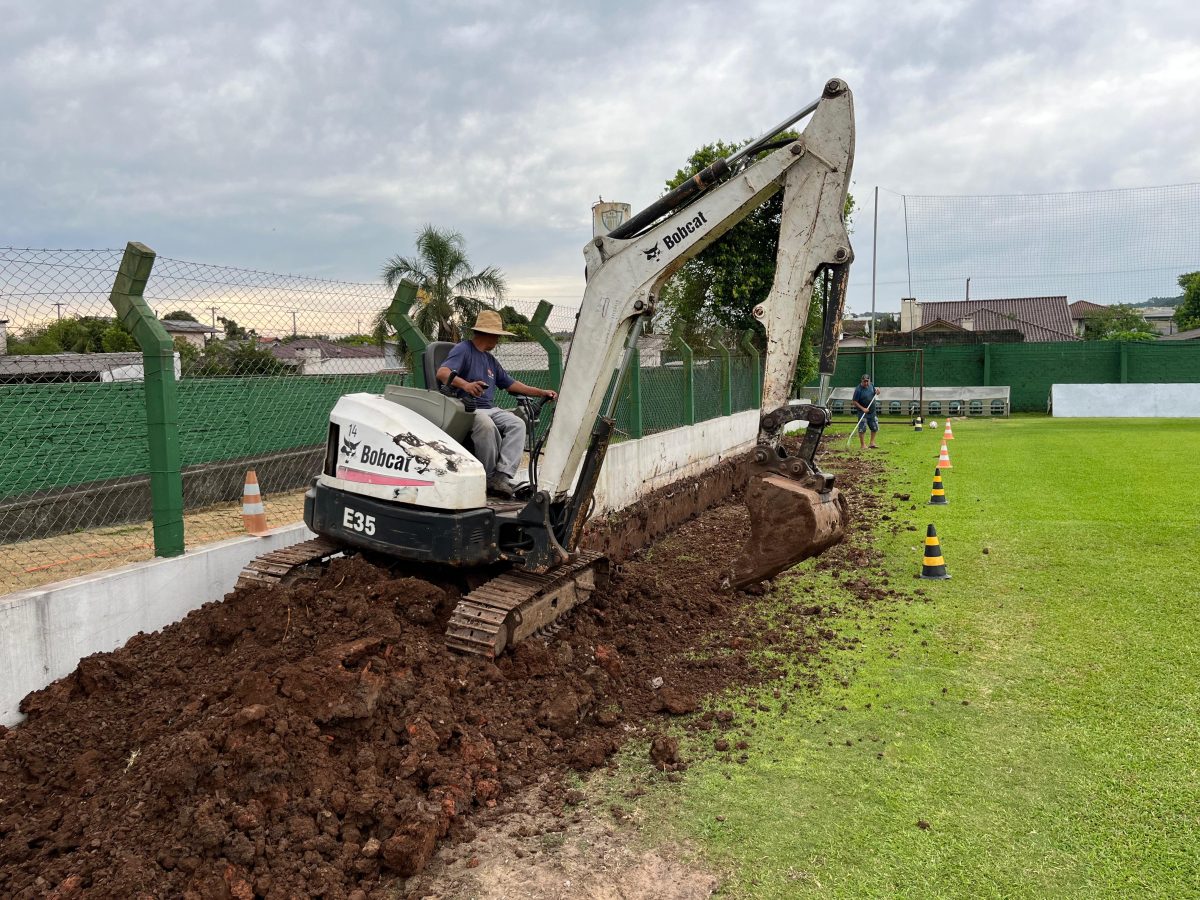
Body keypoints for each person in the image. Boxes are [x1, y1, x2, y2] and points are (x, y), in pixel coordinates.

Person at [437, 309, 558, 498]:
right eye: (498, 336)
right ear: (489, 334)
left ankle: (502, 476)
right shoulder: (463, 349)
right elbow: (442, 373)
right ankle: (487, 477)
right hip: (465, 408)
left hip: (489, 408)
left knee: (517, 423)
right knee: (486, 425)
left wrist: (541, 392)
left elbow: (511, 384)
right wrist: (467, 385)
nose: (499, 341)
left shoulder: (490, 360)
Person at [852, 373, 880, 449]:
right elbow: (854, 402)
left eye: (867, 381)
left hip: (872, 412)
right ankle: (863, 445)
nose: (866, 383)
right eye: (864, 381)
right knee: (862, 429)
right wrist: (863, 408)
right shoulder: (858, 390)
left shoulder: (871, 385)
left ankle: (872, 443)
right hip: (863, 413)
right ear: (862, 381)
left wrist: (877, 392)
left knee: (874, 428)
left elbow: (874, 393)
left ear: (869, 381)